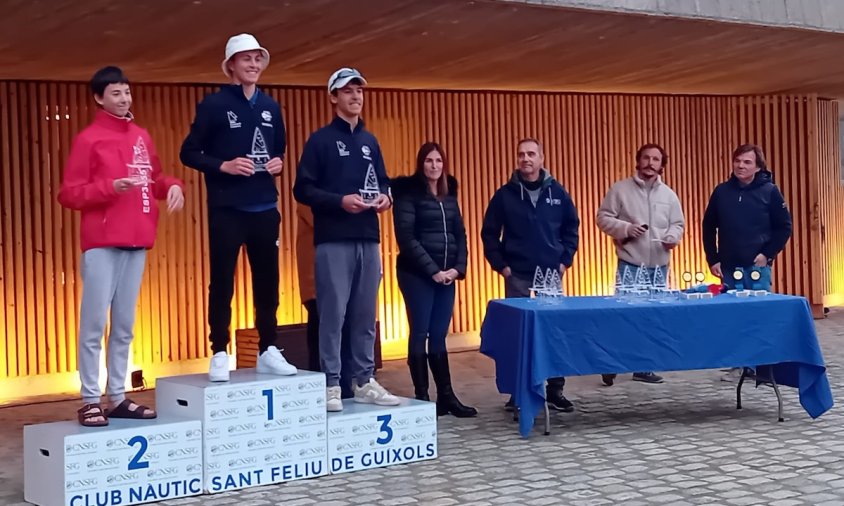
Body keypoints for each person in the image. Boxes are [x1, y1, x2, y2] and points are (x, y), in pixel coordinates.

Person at [58, 66, 185, 426]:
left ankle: (117, 396)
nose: (124, 98)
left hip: (137, 239)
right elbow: (68, 193)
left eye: (127, 92)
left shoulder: (141, 136)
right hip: (102, 241)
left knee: (126, 324)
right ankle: (89, 398)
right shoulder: (89, 140)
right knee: (95, 322)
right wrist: (109, 188)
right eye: (116, 93)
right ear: (99, 98)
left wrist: (174, 185)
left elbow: (155, 178)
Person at [180, 34, 296, 382]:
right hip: (227, 208)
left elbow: (278, 150)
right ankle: (219, 350)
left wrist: (277, 163)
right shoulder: (213, 105)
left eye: (258, 59)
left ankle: (268, 348)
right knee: (222, 280)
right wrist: (224, 166)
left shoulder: (271, 107)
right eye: (246, 59)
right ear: (231, 65)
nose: (254, 65)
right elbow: (189, 153)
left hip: (264, 207)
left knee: (268, 281)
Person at [293, 68, 399, 411]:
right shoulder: (320, 140)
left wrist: (386, 197)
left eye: (359, 90)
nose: (355, 96)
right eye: (348, 91)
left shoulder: (370, 142)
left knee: (365, 315)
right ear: (333, 97)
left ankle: (365, 379)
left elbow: (383, 181)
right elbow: (302, 189)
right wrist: (340, 201)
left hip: (368, 237)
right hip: (334, 239)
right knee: (333, 313)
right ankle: (331, 383)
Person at [481, 137, 580, 412]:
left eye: (531, 154)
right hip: (518, 276)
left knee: (553, 334)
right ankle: (518, 393)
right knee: (520, 336)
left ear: (542, 158)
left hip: (551, 276)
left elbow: (572, 228)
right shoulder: (504, 195)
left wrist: (564, 261)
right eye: (521, 154)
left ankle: (555, 390)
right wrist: (502, 265)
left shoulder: (558, 193)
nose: (526, 158)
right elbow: (489, 233)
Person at [392, 142, 477, 418]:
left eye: (439, 161)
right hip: (417, 274)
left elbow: (460, 234)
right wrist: (432, 270)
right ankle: (421, 397)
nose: (434, 166)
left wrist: (457, 269)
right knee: (420, 333)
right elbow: (406, 237)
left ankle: (447, 397)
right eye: (429, 161)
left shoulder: (449, 193)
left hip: (446, 276)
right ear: (421, 163)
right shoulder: (408, 193)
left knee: (439, 335)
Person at [596, 143, 685, 386]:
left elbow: (678, 224)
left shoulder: (669, 195)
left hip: (659, 267)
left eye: (655, 159)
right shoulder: (620, 190)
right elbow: (602, 217)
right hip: (631, 264)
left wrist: (672, 237)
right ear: (638, 161)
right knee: (624, 316)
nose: (650, 163)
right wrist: (625, 228)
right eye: (646, 158)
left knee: (651, 317)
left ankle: (643, 366)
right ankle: (610, 363)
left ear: (662, 165)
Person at [703, 144, 792, 381]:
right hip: (730, 267)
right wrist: (713, 259)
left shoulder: (770, 191)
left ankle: (758, 366)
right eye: (738, 161)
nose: (741, 166)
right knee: (734, 317)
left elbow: (784, 227)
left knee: (757, 316)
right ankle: (740, 364)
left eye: (747, 162)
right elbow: (709, 226)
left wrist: (767, 255)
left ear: (758, 166)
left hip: (757, 268)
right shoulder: (721, 192)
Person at [295, 202, 354, 397]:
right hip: (317, 272)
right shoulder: (310, 187)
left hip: (342, 266)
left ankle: (344, 385)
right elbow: (320, 221)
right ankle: (321, 385)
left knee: (345, 329)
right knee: (321, 329)